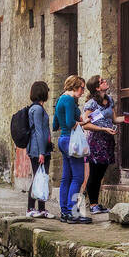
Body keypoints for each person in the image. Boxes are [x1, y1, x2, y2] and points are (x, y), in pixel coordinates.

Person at [81, 74, 129, 215]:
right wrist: (103, 129)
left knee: (101, 172)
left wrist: (127, 119)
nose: (105, 81)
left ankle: (96, 203)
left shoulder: (109, 100)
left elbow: (114, 119)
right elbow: (86, 125)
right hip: (95, 141)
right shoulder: (91, 104)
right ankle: (93, 204)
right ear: (97, 87)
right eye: (101, 81)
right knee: (94, 173)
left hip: (107, 140)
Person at [53, 74, 92, 224]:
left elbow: (55, 125)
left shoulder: (59, 100)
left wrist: (74, 121)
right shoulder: (69, 100)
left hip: (63, 140)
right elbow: (70, 123)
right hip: (72, 140)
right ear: (75, 87)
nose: (83, 91)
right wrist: (83, 122)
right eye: (82, 88)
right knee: (78, 177)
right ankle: (73, 212)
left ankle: (65, 211)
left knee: (66, 178)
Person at [25, 81, 54, 218]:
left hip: (41, 149)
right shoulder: (37, 109)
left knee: (42, 178)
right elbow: (38, 131)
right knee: (38, 178)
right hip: (38, 150)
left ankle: (42, 209)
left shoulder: (38, 108)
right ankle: (31, 208)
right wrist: (42, 152)